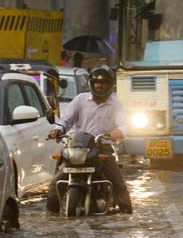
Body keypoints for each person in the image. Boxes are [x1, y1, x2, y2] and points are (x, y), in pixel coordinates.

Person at [46, 65, 133, 214]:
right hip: (79, 147)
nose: (100, 86)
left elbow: (124, 124)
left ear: (110, 85)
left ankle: (126, 211)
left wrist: (119, 131)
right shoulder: (80, 100)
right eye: (97, 83)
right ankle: (51, 212)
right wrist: (57, 130)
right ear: (91, 84)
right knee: (58, 179)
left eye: (104, 83)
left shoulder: (116, 103)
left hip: (103, 147)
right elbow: (66, 120)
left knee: (118, 182)